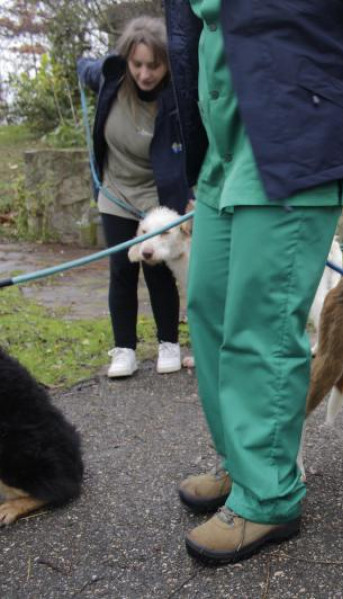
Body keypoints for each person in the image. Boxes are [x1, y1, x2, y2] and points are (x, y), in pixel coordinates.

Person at [164, 0, 343, 565]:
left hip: (299, 133)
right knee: (211, 309)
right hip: (222, 148)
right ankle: (242, 464)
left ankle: (267, 494)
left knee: (260, 323)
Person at [77, 16, 194, 379]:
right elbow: (86, 68)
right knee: (121, 270)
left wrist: (191, 196)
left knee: (157, 266)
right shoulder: (110, 79)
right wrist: (82, 64)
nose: (145, 73)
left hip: (156, 194)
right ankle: (124, 349)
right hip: (115, 191)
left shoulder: (178, 97)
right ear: (127, 60)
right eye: (137, 64)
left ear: (167, 63)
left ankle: (169, 344)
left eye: (154, 65)